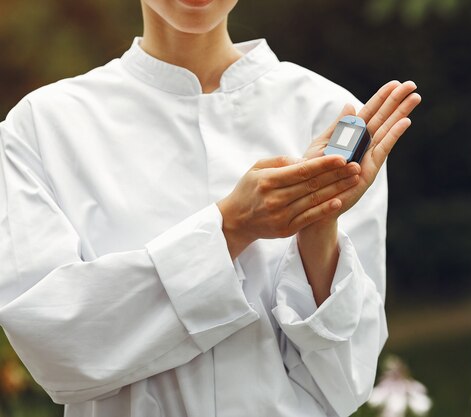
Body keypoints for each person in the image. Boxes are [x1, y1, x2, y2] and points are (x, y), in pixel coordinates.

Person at [0, 0, 420, 416]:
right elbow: (56, 349)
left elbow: (347, 382)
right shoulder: (41, 128)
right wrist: (230, 228)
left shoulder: (329, 112)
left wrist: (316, 225)